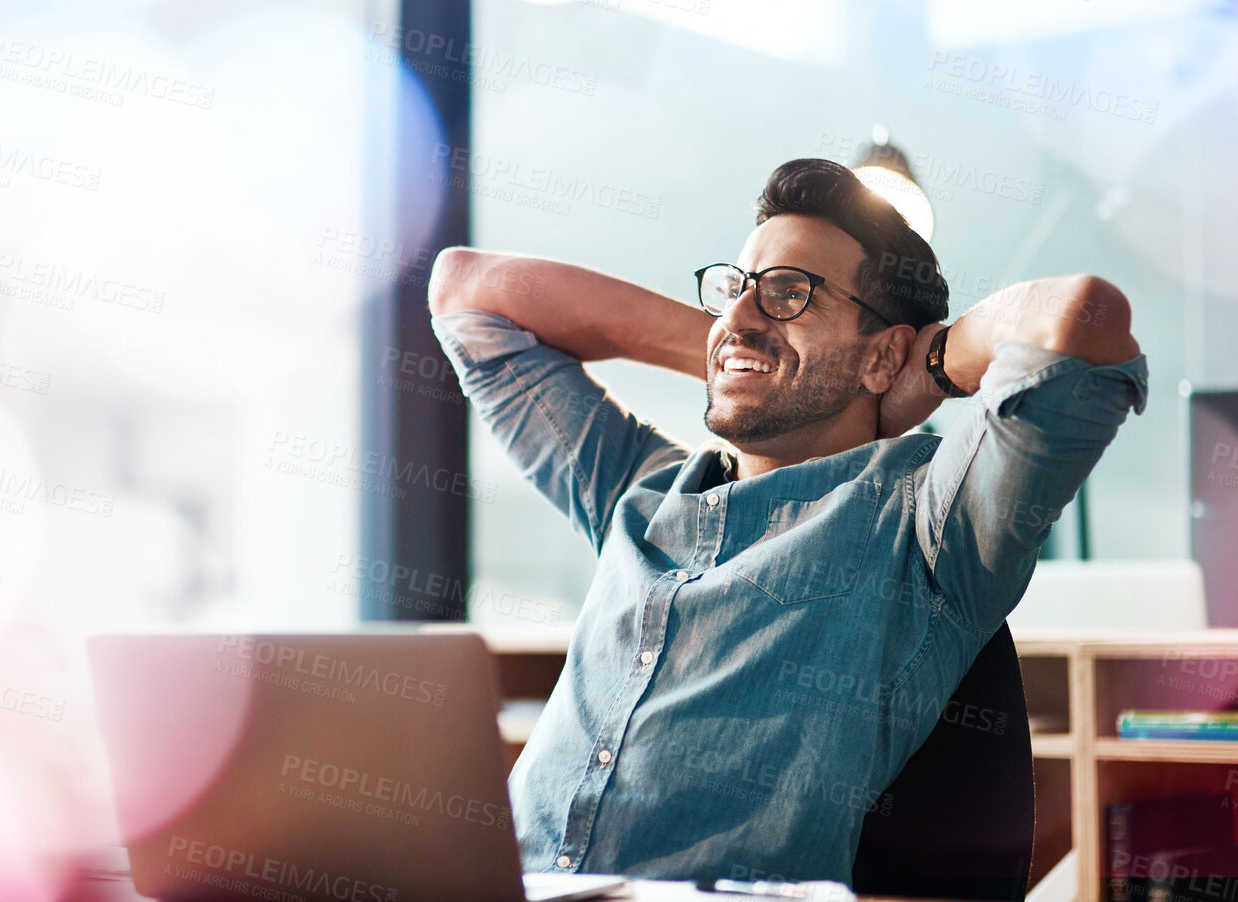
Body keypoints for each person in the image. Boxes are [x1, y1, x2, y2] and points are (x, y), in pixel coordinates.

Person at [426, 157, 1147, 882]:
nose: (738, 313)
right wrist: (744, 351)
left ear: (886, 351)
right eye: (734, 291)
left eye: (789, 294)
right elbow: (467, 291)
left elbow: (1082, 315)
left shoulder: (926, 522)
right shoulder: (639, 491)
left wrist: (923, 365)